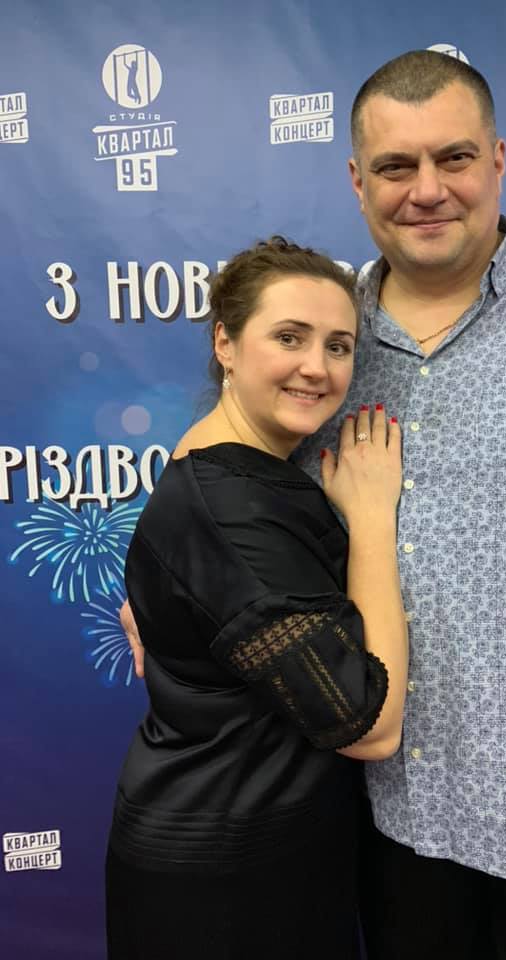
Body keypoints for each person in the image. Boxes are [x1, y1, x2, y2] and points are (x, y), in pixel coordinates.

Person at [123, 51, 506, 959]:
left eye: (455, 158)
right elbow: (224, 462)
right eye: (397, 166)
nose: (428, 190)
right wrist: (167, 594)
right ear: (358, 182)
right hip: (393, 818)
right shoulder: (328, 338)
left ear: (499, 161)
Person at [107, 236, 408, 960]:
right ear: (226, 344)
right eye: (289, 337)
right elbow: (370, 727)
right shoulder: (230, 508)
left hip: (265, 848)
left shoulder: (226, 462)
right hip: (225, 879)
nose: (317, 367)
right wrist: (372, 519)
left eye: (339, 346)